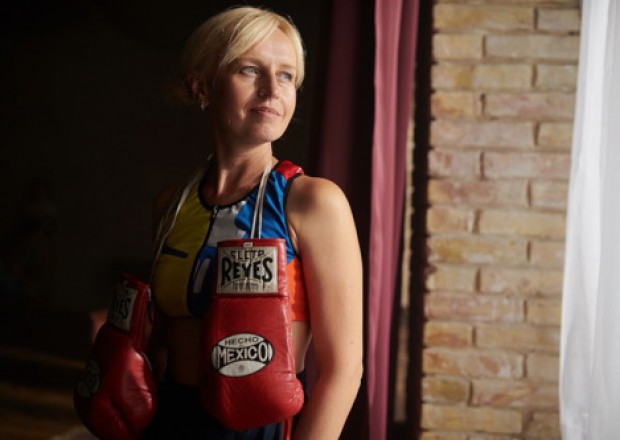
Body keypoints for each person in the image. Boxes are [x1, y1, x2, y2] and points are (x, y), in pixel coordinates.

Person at [142, 6, 363, 440]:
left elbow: (344, 371)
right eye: (249, 70)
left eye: (286, 76)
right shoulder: (171, 206)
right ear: (202, 85)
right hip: (169, 422)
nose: (272, 90)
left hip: (259, 429)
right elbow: (162, 346)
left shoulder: (313, 202)